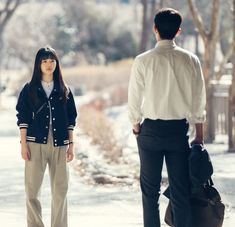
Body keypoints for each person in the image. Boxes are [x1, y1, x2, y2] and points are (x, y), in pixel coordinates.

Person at [128, 8, 206, 227]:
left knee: (149, 193)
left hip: (150, 132)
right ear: (179, 32)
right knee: (181, 192)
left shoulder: (142, 61)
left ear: (155, 29)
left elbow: (134, 99)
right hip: (178, 133)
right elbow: (198, 99)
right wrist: (199, 136)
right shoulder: (191, 60)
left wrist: (136, 128)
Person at [16, 46, 77, 227]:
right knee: (32, 191)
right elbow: (23, 117)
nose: (49, 64)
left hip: (60, 144)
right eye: (44, 61)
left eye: (52, 61)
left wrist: (71, 144)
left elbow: (71, 119)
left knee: (60, 190)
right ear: (38, 64)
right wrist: (23, 144)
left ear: (57, 63)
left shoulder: (64, 89)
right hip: (35, 144)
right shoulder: (29, 89)